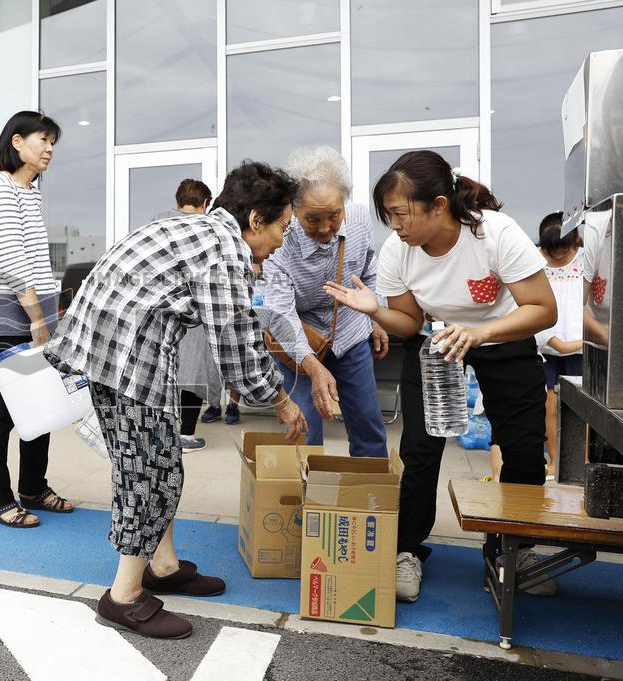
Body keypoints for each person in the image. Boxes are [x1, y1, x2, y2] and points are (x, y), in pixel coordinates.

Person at [45, 161, 307, 639]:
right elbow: (235, 345)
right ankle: (123, 596)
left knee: (156, 460)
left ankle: (162, 567)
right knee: (151, 472)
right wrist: (281, 400)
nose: (282, 241)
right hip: (128, 351)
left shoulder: (196, 227)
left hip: (111, 341)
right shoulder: (225, 248)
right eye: (283, 228)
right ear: (256, 220)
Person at [324, 150, 557, 602]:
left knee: (523, 448)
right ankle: (407, 549)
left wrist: (481, 332)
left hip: (504, 336)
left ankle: (513, 551)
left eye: (401, 214)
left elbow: (543, 310)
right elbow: (410, 323)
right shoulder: (398, 251)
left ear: (438, 205)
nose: (395, 226)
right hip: (439, 343)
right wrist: (376, 312)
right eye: (388, 216)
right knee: (419, 449)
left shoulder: (494, 233)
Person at [0, 111, 72, 529]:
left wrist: (45, 312)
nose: (49, 149)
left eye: (52, 142)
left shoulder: (30, 193)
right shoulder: (0, 188)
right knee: (1, 408)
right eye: (42, 140)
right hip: (3, 313)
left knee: (41, 400)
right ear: (17, 141)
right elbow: (13, 262)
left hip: (36, 308)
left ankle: (33, 487)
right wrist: (36, 318)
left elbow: (34, 260)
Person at [265, 145, 389, 457]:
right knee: (303, 427)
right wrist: (311, 365)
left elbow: (370, 272)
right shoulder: (279, 239)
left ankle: (369, 487)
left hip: (349, 330)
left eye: (334, 216)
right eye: (312, 219)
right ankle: (306, 487)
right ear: (294, 210)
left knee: (368, 423)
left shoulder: (359, 218)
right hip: (298, 337)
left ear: (344, 202)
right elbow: (281, 315)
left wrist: (376, 318)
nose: (324, 228)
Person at [154, 179, 223, 452]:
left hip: (160, 310)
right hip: (193, 309)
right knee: (193, 371)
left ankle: (160, 433)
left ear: (177, 200)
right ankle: (186, 436)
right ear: (205, 203)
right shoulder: (208, 229)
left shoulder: (156, 225)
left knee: (163, 371)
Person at [534, 212, 583, 476]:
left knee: (581, 408)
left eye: (565, 249)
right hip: (545, 348)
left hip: (581, 347)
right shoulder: (534, 261)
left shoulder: (586, 260)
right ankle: (554, 461)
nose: (560, 256)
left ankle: (581, 462)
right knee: (548, 408)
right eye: (553, 251)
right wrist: (549, 339)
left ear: (576, 241)